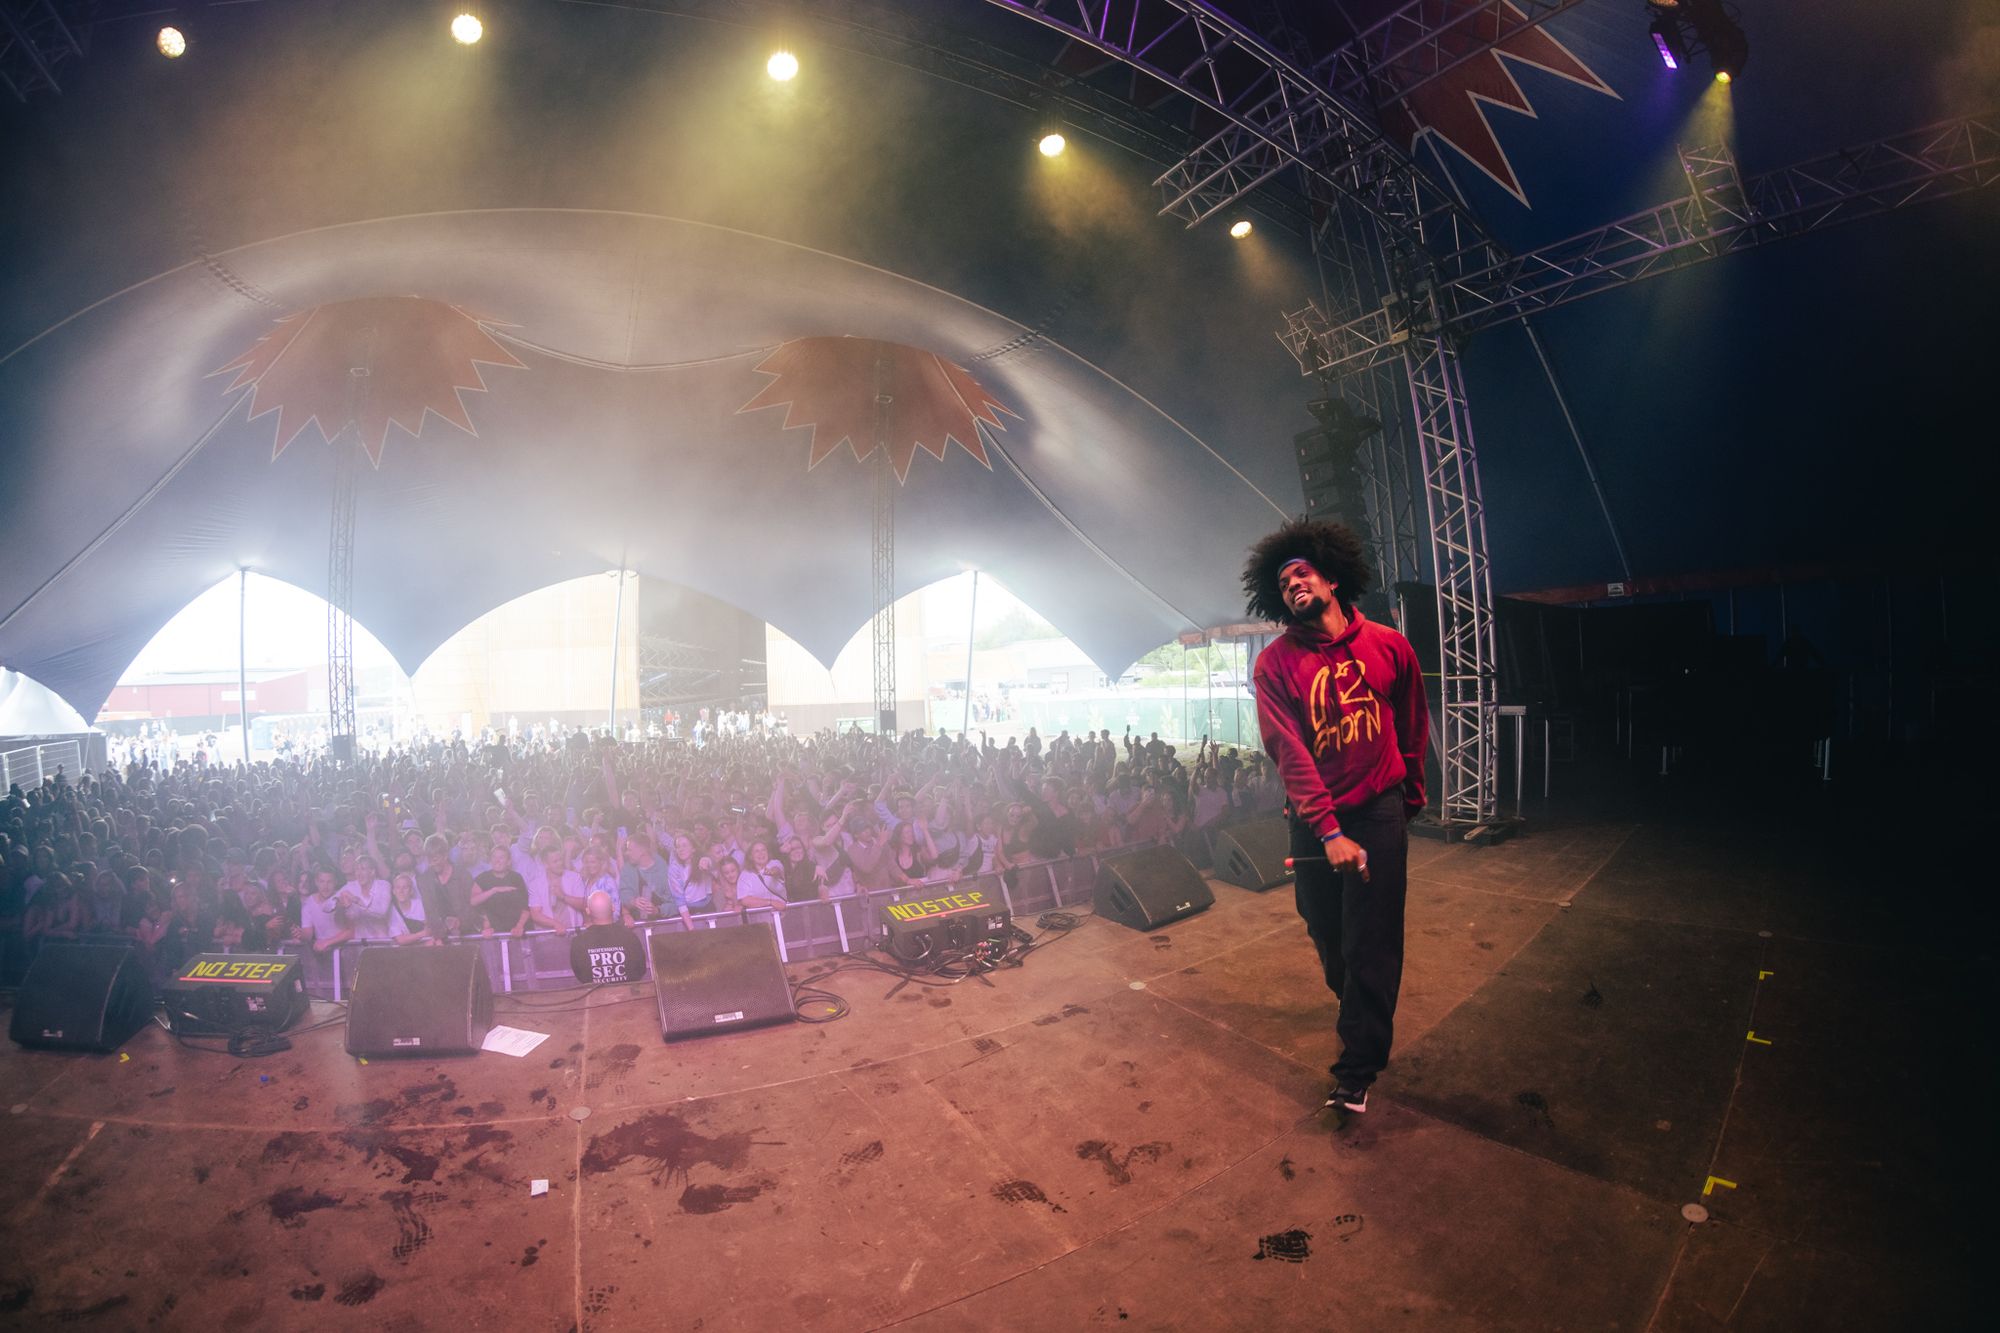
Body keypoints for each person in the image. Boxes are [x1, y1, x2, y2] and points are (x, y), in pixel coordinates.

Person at [1244, 517, 1430, 1117]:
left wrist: (1407, 800)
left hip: (1378, 813)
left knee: (1370, 943)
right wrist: (1324, 828)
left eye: (1302, 572)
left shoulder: (1389, 645)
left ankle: (1358, 1067)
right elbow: (1286, 749)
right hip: (1314, 818)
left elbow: (1412, 724)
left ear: (1330, 577)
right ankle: (1359, 1013)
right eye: (1283, 580)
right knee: (1328, 937)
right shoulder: (1274, 664)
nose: (1293, 583)